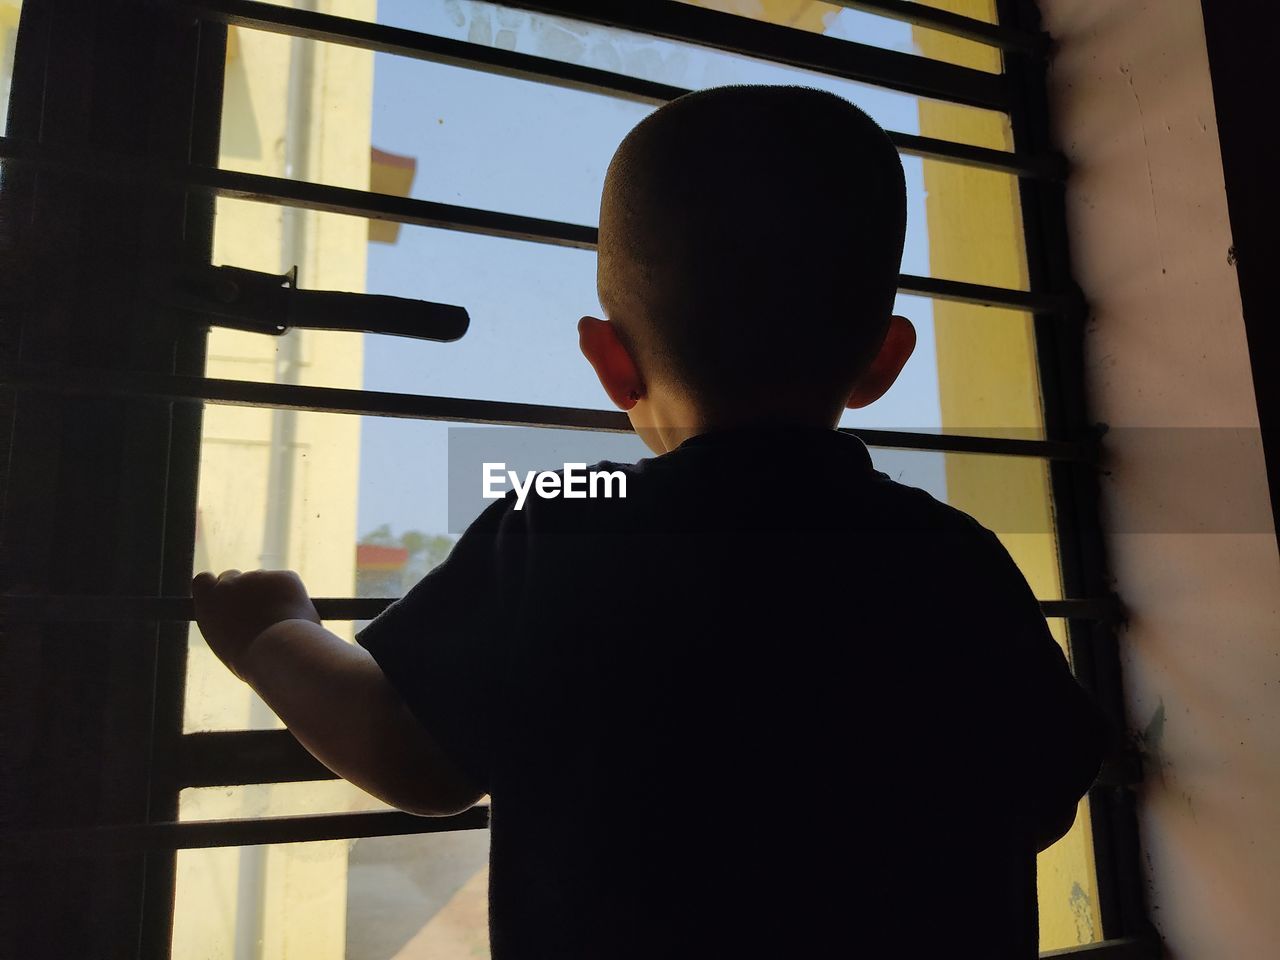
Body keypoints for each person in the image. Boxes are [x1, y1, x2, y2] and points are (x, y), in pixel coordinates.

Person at [193, 84, 1114, 957]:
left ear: (610, 364)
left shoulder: (566, 525)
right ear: (882, 361)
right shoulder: (954, 560)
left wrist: (272, 631)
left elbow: (411, 753)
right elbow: (1044, 795)